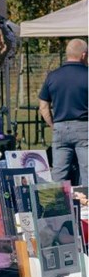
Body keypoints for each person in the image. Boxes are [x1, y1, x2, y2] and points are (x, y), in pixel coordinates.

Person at [39, 39, 88, 185]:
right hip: (84, 127)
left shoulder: (53, 76)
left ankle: (56, 204)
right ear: (84, 55)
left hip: (60, 127)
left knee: (59, 172)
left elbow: (43, 106)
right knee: (87, 171)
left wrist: (53, 125)